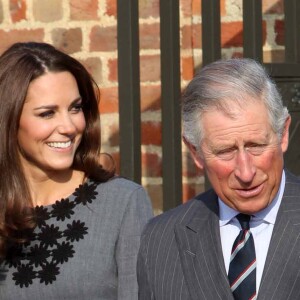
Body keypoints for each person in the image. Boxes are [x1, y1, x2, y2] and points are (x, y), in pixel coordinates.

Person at [0, 42, 153, 300]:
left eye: (75, 108)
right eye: (47, 113)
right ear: (9, 120)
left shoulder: (122, 202)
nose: (69, 126)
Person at [137, 58, 300, 299]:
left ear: (283, 134)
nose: (245, 173)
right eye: (225, 151)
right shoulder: (161, 241)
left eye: (256, 146)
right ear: (195, 152)